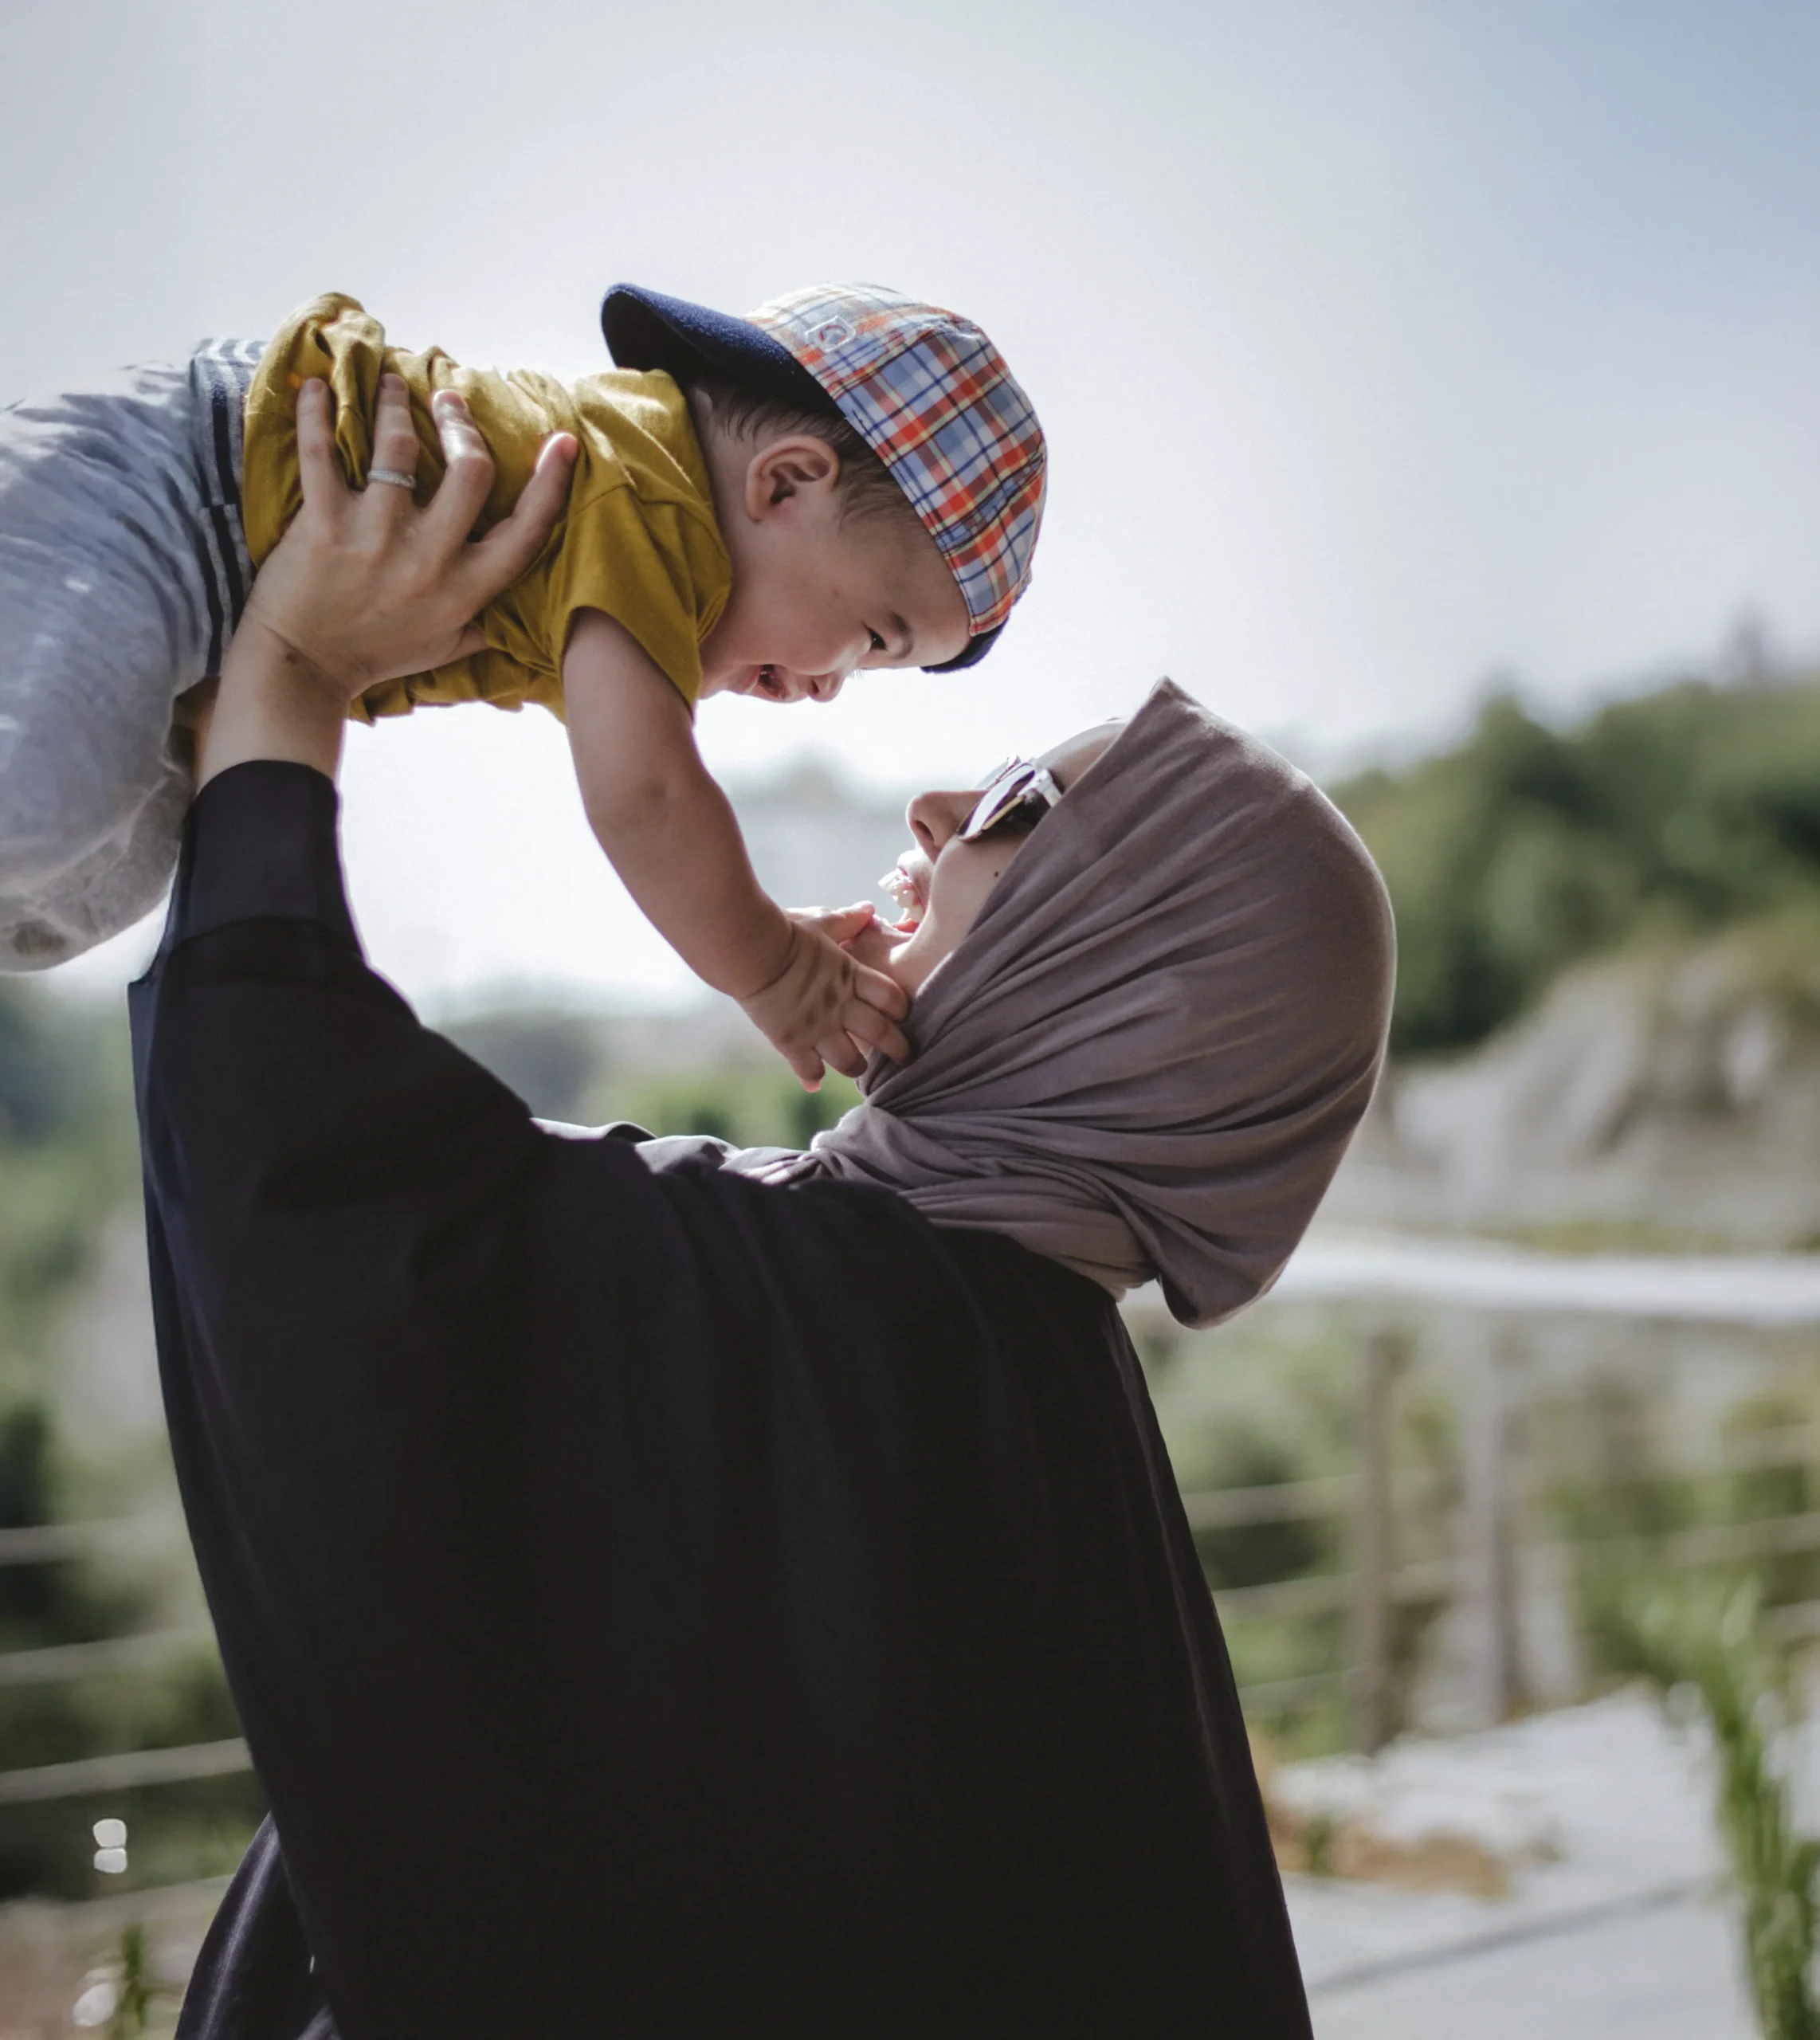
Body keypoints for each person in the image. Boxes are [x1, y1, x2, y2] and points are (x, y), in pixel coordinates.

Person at [139, 382, 1392, 2037]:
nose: (934, 805)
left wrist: (288, 680)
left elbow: (308, 1163)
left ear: (1118, 989)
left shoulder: (821, 1309)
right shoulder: (1037, 1388)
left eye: (1017, 805)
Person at [2, 280, 1046, 1089]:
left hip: (214, 615)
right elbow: (647, 796)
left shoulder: (638, 546)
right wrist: (773, 968)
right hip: (180, 480)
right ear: (783, 483)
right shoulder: (652, 499)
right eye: (871, 636)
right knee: (36, 811)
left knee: (92, 887)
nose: (830, 689)